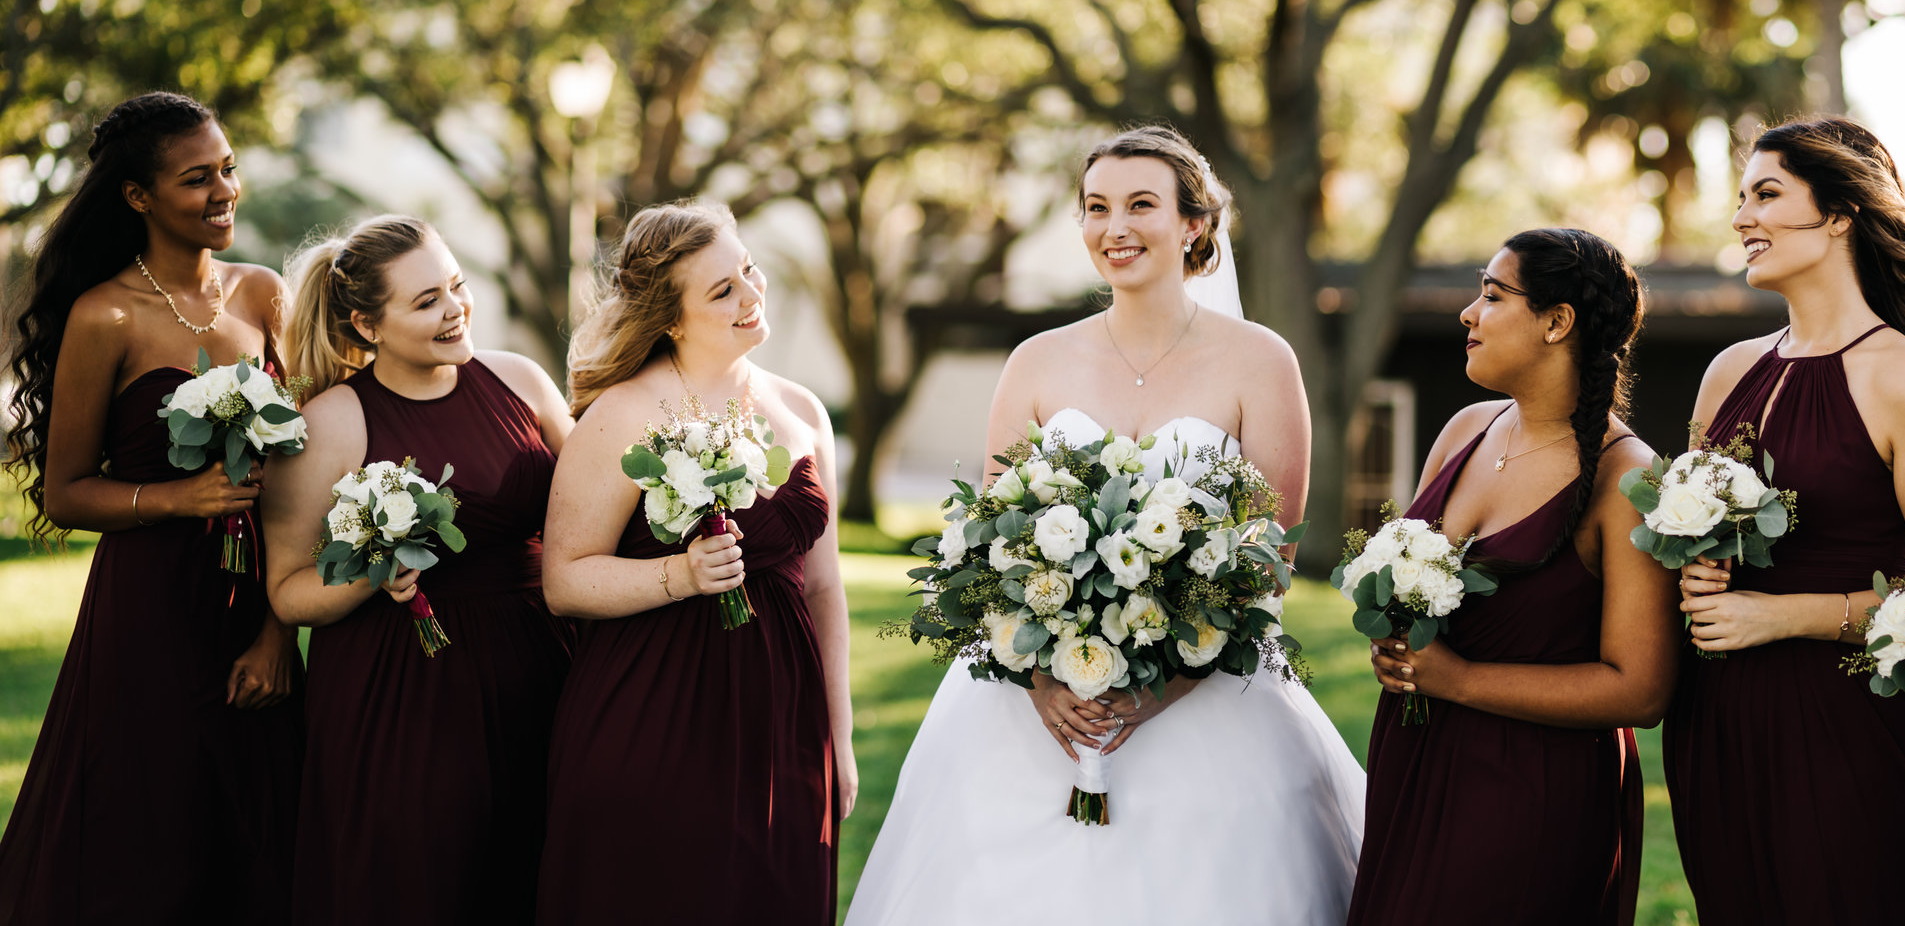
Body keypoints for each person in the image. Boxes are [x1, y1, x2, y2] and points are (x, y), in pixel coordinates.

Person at [847, 126, 1366, 926]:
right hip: (1030, 706)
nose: (1113, 227)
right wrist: (1042, 680)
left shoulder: (1261, 362)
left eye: (1140, 205)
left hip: (1204, 693)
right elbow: (989, 547)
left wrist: (1162, 690)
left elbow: (1269, 559)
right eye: (1096, 208)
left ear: (1194, 224)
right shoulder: (1036, 361)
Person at [1666, 117, 1905, 923]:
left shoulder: (1903, 377)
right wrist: (1693, 567)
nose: (1742, 216)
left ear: (1842, 214)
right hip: (1721, 724)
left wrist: (1779, 617)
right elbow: (1690, 538)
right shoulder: (1727, 372)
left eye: (1767, 194)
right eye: (1741, 197)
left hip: (1848, 730)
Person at [0, 91, 304, 922]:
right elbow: (66, 493)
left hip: (254, 600)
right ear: (138, 197)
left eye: (229, 169)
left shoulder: (264, 296)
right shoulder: (104, 317)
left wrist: (279, 634)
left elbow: (292, 482)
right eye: (196, 178)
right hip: (147, 615)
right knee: (149, 833)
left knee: (262, 830)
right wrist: (176, 497)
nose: (224, 191)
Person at [534, 201, 852, 924]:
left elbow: (826, 588)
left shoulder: (802, 410)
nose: (751, 294)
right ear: (671, 319)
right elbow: (564, 579)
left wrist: (838, 734)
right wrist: (678, 575)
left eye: (748, 270)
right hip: (655, 719)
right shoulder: (621, 414)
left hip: (783, 721)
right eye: (723, 291)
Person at [1346, 228, 1674, 925]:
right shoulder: (1466, 430)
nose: (1469, 312)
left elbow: (1641, 688)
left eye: (1493, 295)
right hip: (1416, 757)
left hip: (1530, 789)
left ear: (1558, 322)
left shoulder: (1626, 478)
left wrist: (1458, 679)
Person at [262, 215, 574, 923]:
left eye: (457, 287)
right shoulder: (334, 423)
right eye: (427, 299)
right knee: (419, 885)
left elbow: (595, 508)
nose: (456, 308)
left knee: (537, 880)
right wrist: (372, 570)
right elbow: (287, 591)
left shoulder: (520, 380)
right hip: (406, 693)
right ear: (367, 327)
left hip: (544, 671)